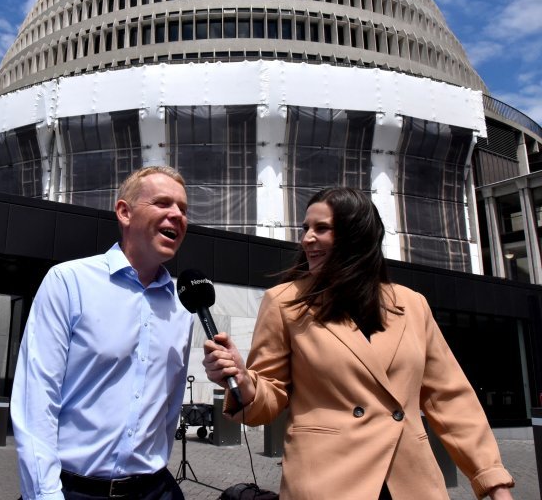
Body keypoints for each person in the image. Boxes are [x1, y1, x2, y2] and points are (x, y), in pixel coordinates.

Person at [203, 187, 515, 500]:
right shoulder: (285, 302)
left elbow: (450, 396)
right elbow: (270, 395)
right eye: (305, 229)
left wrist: (492, 479)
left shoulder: (412, 305)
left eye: (321, 228)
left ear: (357, 234)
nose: (307, 238)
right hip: (328, 482)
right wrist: (244, 382)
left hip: (411, 483)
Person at [12, 166, 193, 500]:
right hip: (72, 490)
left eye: (183, 209)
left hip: (154, 489)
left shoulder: (183, 309)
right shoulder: (68, 282)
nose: (177, 215)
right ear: (124, 212)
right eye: (164, 203)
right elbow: (35, 401)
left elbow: (170, 408)